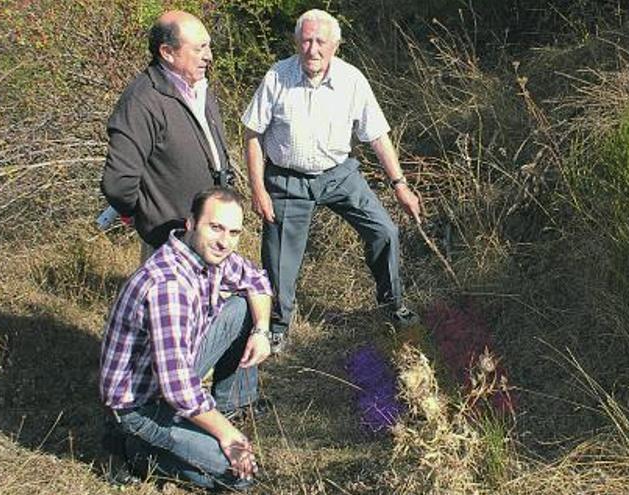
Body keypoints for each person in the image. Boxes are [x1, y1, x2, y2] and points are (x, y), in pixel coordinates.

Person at [241, 9, 421, 352]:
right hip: (286, 180)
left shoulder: (352, 80)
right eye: (306, 40)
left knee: (385, 231)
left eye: (320, 42)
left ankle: (392, 305)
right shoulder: (277, 77)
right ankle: (277, 326)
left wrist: (400, 185)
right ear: (296, 42)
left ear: (335, 46)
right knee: (279, 258)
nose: (312, 49)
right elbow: (252, 134)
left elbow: (378, 136)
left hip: (340, 175)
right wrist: (258, 188)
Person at [99, 187, 272, 491]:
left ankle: (229, 406)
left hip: (171, 374)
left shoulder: (206, 255)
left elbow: (256, 279)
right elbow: (176, 387)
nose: (224, 241)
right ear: (191, 223)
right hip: (141, 404)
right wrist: (228, 435)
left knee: (243, 307)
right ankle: (134, 449)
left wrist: (261, 330)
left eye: (234, 232)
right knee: (236, 476)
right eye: (216, 227)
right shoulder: (169, 286)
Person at [102, 10, 234, 253]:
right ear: (167, 52)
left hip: (210, 236)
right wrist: (149, 215)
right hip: (170, 243)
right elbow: (118, 183)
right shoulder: (143, 101)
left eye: (208, 47)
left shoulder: (199, 88)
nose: (209, 56)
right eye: (199, 49)